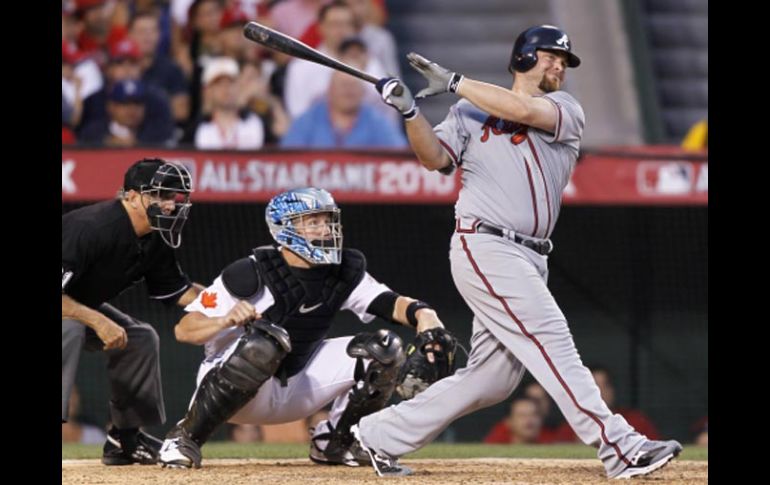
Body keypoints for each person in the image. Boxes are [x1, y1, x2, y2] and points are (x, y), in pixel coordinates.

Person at [347, 24, 683, 479]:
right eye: (549, 56)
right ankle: (619, 447)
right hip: (484, 243)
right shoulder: (467, 113)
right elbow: (434, 160)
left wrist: (453, 82)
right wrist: (409, 113)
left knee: (491, 381)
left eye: (563, 61)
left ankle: (377, 435)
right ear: (523, 57)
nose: (558, 66)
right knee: (551, 337)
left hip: (530, 255)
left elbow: (522, 109)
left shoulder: (565, 108)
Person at [158, 187, 454, 470]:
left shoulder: (342, 270)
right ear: (284, 229)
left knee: (385, 348)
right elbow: (184, 330)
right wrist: (225, 320)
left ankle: (336, 442)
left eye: (327, 220)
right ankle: (185, 437)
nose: (325, 229)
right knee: (265, 343)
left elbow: (389, 302)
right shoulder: (251, 271)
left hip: (298, 387)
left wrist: (425, 314)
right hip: (231, 393)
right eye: (313, 222)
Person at [62, 158, 203, 466]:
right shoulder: (91, 227)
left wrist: (223, 302)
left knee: (139, 338)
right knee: (70, 329)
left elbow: (178, 291)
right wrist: (98, 321)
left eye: (172, 196)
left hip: (73, 304)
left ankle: (124, 439)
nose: (168, 204)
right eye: (159, 195)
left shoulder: (155, 236)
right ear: (130, 196)